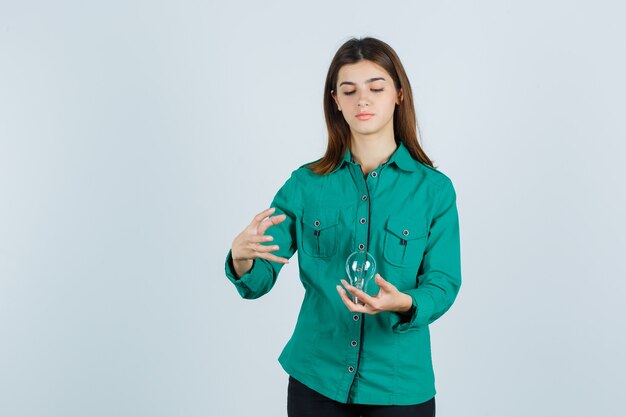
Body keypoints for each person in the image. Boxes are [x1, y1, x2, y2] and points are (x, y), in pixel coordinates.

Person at [224, 37, 461, 417]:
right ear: (335, 100)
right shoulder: (305, 184)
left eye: (376, 88)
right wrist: (241, 259)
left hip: (399, 387)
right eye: (348, 90)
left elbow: (444, 283)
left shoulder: (434, 191)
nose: (362, 100)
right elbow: (261, 276)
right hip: (315, 380)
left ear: (399, 94)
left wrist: (404, 302)